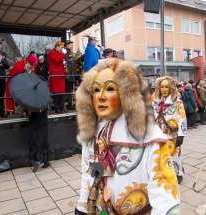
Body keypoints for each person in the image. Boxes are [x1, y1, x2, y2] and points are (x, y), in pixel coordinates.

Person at [75, 59, 180, 215]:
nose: (101, 96)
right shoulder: (92, 136)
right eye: (96, 90)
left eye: (109, 88)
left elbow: (166, 198)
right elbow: (88, 175)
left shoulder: (151, 141)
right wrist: (82, 207)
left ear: (127, 94)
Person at [152, 77, 187, 184]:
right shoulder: (155, 102)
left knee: (174, 155)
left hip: (173, 135)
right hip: (159, 134)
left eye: (167, 87)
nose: (164, 89)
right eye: (162, 86)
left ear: (171, 88)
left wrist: (181, 134)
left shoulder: (177, 102)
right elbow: (151, 116)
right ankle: (164, 172)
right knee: (160, 155)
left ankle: (178, 173)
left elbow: (182, 118)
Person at [48, 41, 68, 114]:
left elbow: (63, 62)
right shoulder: (51, 52)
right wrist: (63, 54)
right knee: (57, 92)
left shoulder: (60, 53)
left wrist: (65, 70)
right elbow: (56, 60)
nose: (62, 49)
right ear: (57, 46)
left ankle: (61, 107)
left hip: (60, 74)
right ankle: (57, 108)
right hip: (55, 75)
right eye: (61, 47)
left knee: (62, 92)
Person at [28, 108, 50, 172]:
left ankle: (36, 160)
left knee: (35, 141)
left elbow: (19, 111)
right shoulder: (43, 99)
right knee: (44, 140)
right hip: (44, 119)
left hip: (34, 121)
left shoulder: (31, 101)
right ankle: (46, 159)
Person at [65, 40, 77, 110]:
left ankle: (70, 104)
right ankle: (65, 104)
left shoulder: (71, 53)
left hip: (71, 75)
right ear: (67, 45)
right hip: (67, 75)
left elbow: (73, 65)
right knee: (66, 90)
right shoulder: (65, 53)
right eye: (71, 44)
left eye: (72, 44)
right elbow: (66, 65)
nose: (72, 46)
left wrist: (75, 76)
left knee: (70, 90)